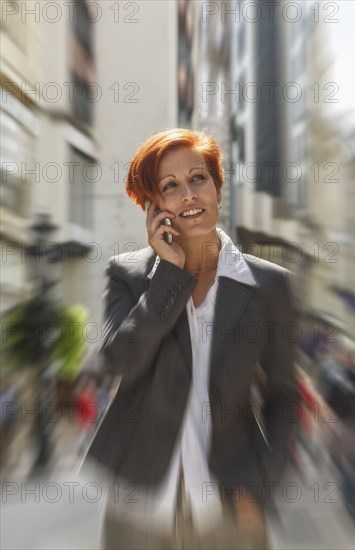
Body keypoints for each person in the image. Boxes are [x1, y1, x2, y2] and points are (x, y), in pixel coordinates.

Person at [84, 128, 297, 549]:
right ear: (154, 206)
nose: (188, 194)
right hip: (139, 507)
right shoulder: (128, 274)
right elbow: (121, 360)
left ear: (218, 186)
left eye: (198, 179)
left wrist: (261, 482)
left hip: (230, 506)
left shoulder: (269, 285)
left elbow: (284, 396)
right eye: (170, 186)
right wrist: (169, 275)